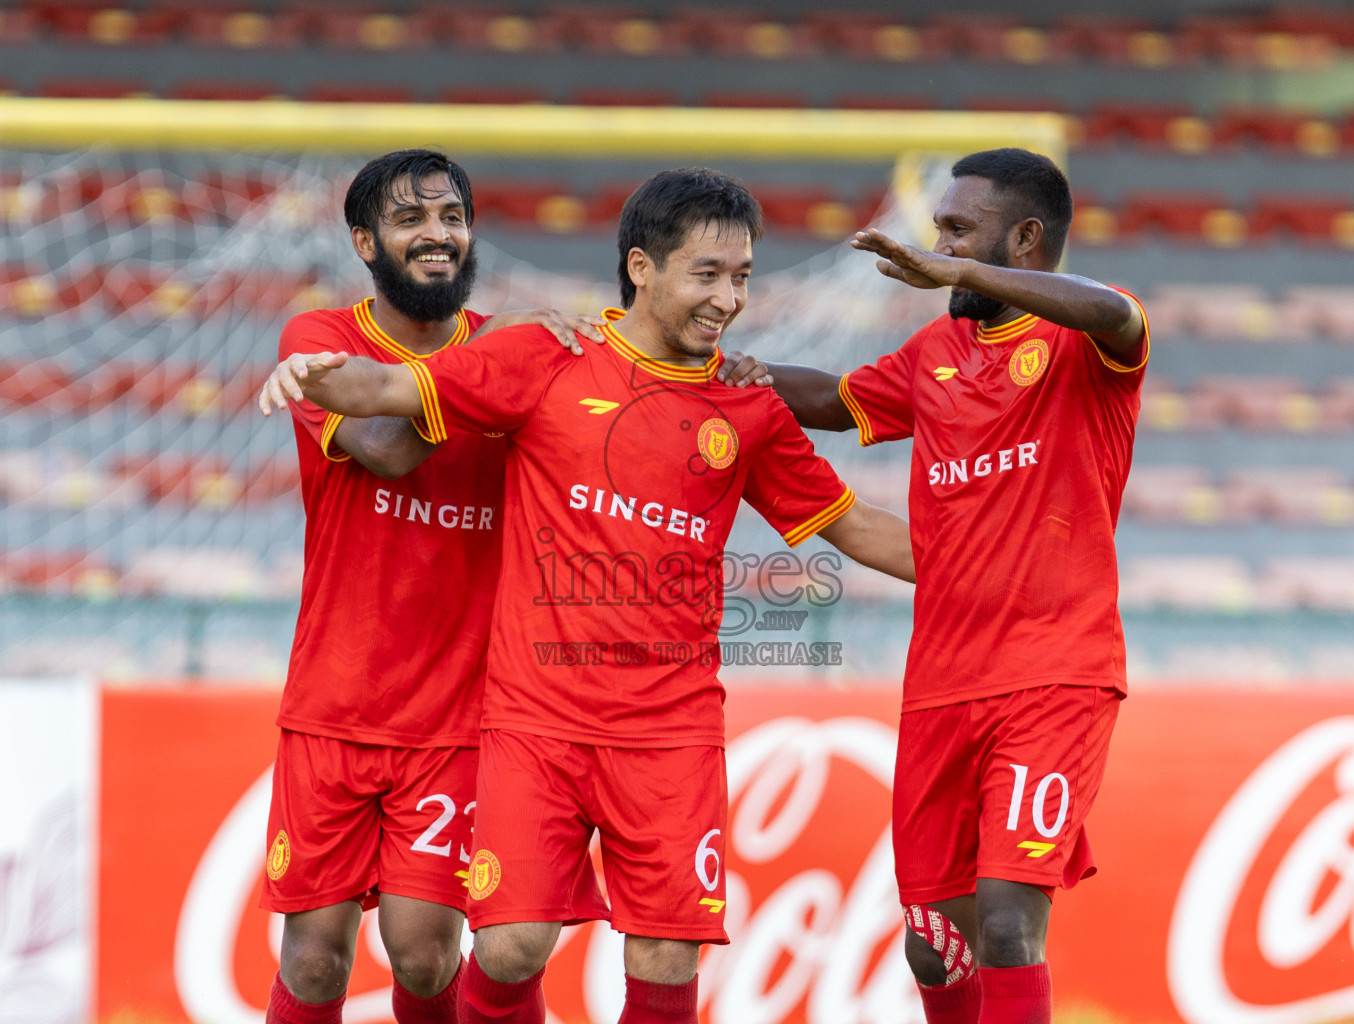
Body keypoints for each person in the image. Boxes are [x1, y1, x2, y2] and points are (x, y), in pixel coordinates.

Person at [260, 166, 916, 1024]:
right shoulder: (540, 357)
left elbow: (856, 524)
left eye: (742, 278)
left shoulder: (743, 408)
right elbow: (385, 401)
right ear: (642, 267)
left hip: (656, 727)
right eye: (708, 274)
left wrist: (997, 567)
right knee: (483, 950)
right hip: (509, 719)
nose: (728, 298)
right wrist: (309, 372)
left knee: (510, 957)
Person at [763, 148, 1148, 1024]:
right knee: (934, 946)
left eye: (957, 232)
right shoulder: (938, 351)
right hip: (941, 685)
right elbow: (833, 400)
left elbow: (1117, 312)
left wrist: (961, 270)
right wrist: (717, 369)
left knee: (1011, 922)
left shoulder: (1085, 347)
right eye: (939, 232)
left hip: (1056, 675)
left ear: (1024, 238)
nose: (934, 251)